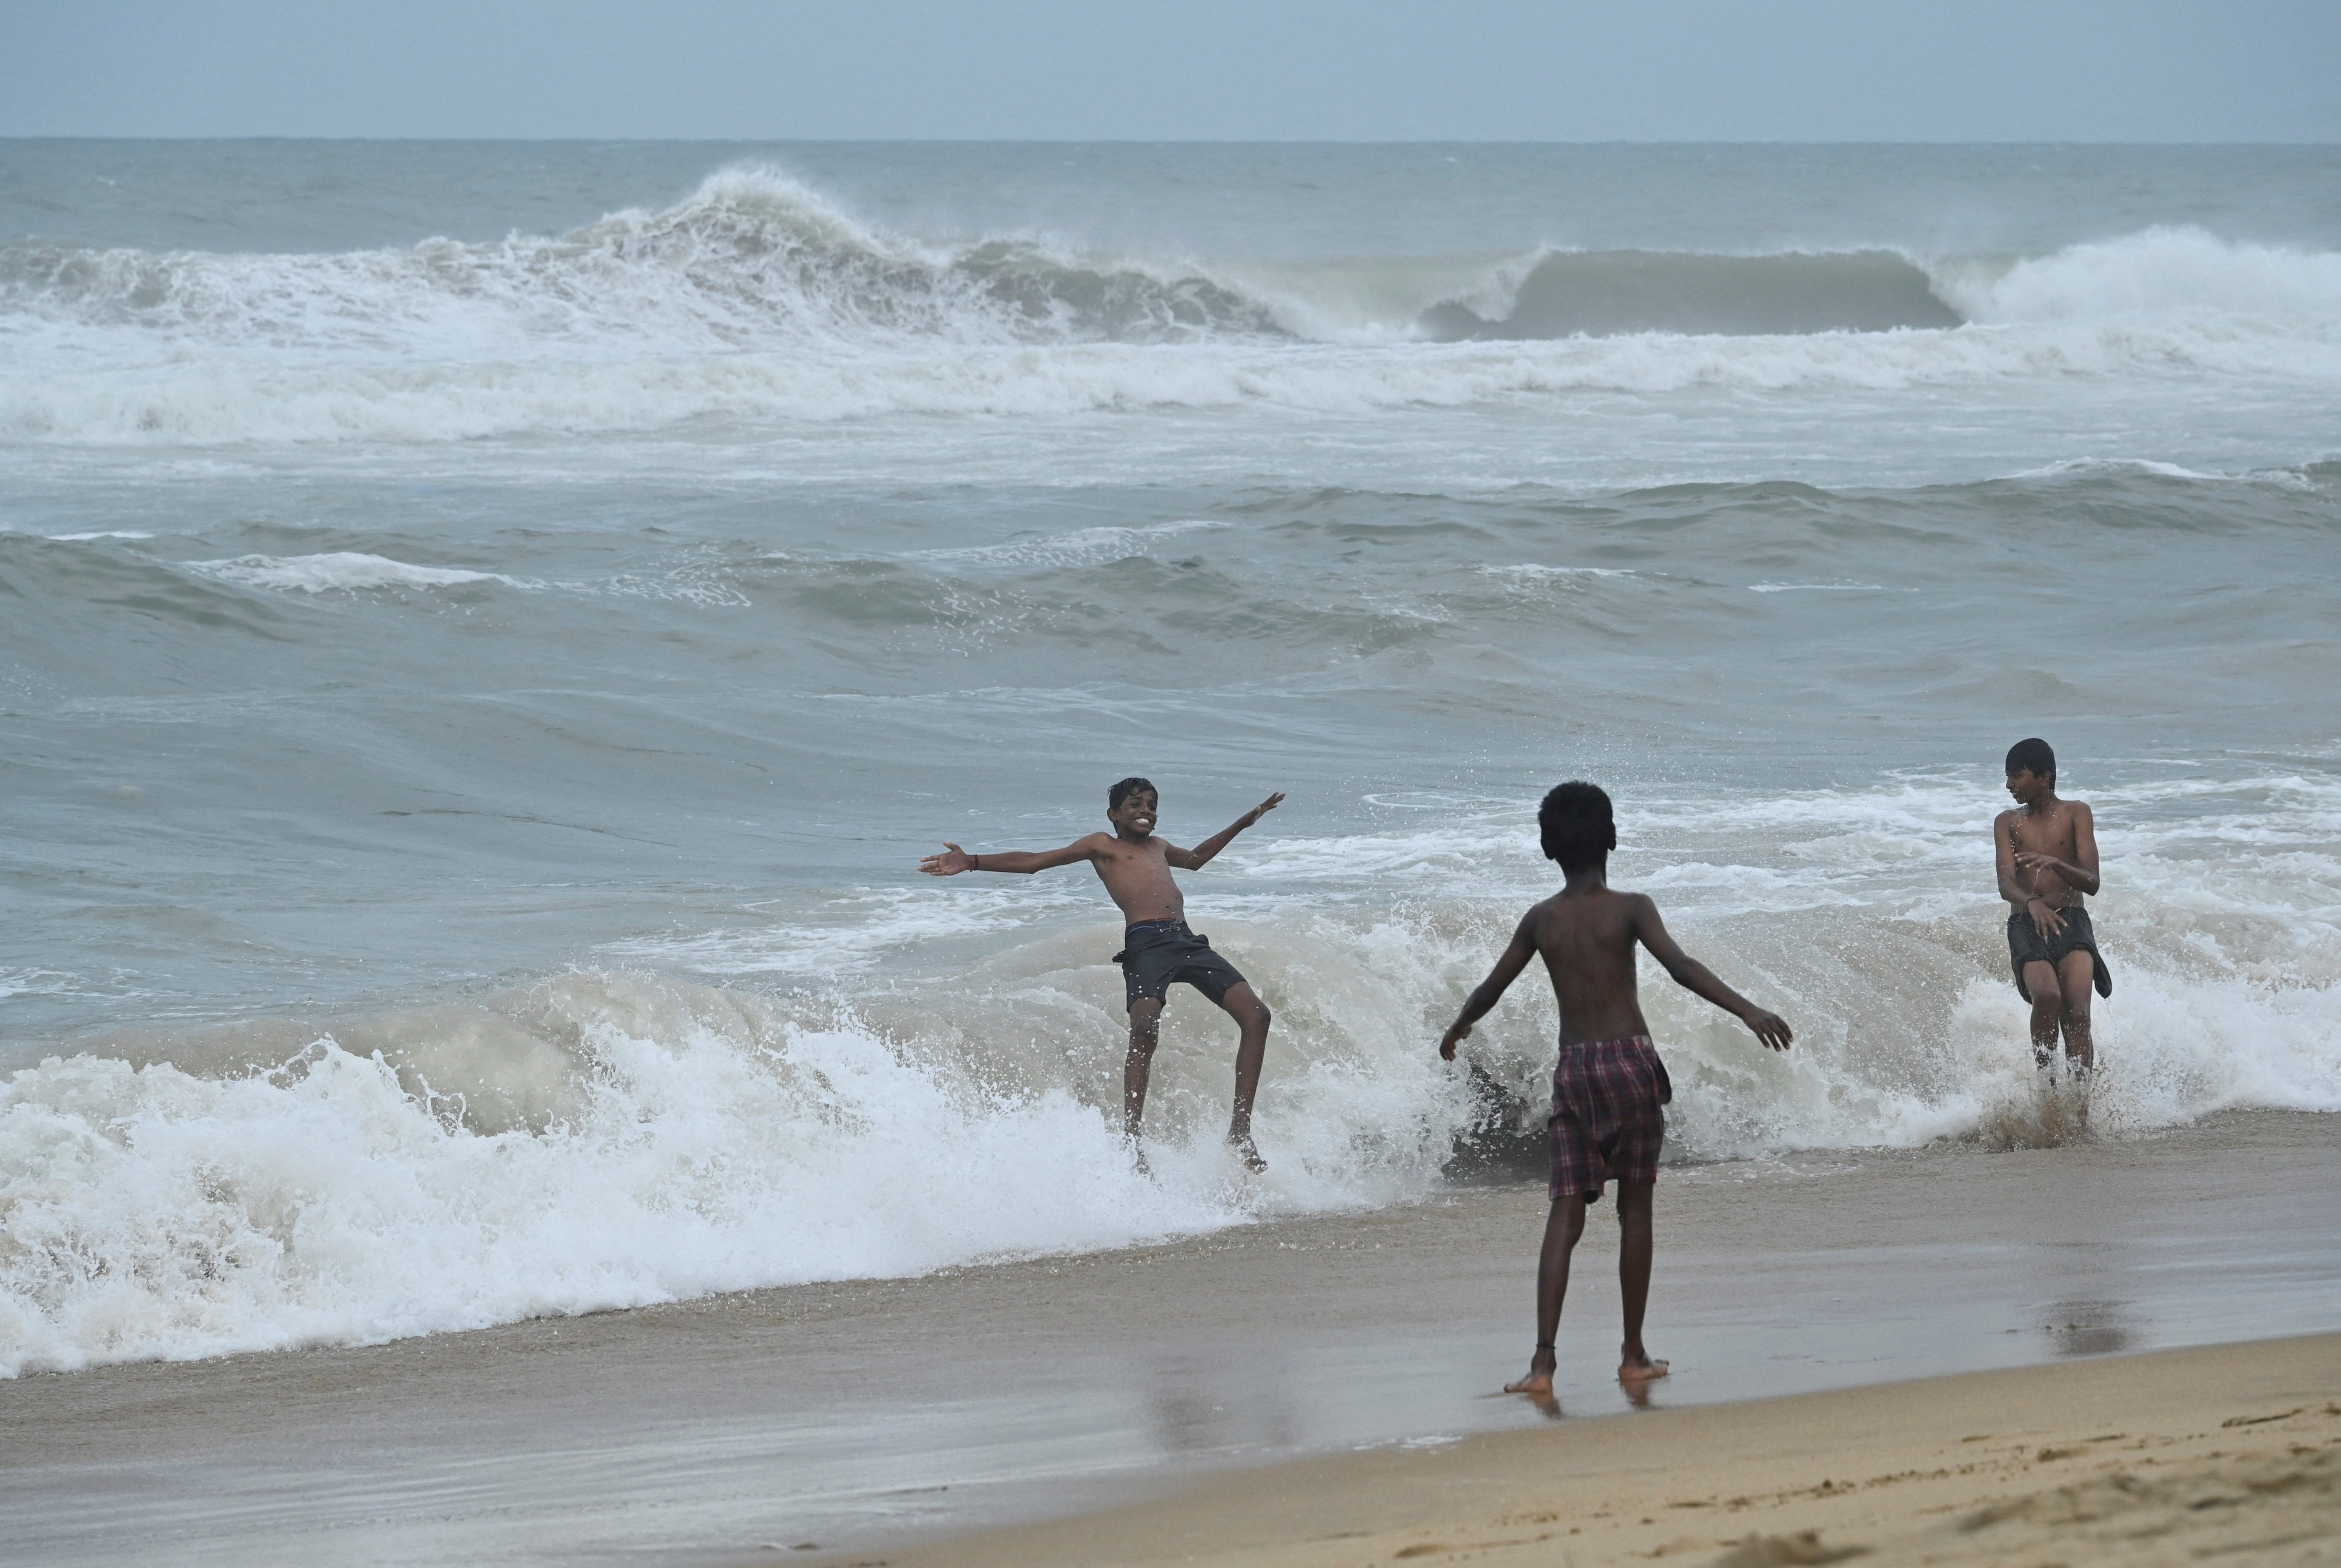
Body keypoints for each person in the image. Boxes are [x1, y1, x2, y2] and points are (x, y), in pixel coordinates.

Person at [1437, 781, 1792, 1397]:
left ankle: (1543, 1364)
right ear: (1613, 839)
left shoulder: (1542, 918)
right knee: (1635, 1210)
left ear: (1547, 847)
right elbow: (1681, 969)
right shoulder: (1632, 907)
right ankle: (1633, 1355)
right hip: (1630, 1064)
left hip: (1575, 1070)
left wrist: (1458, 1027)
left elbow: (1490, 989)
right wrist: (1748, 1010)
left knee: (1564, 1215)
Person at [920, 777, 1285, 1170]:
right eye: (1135, 805)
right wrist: (973, 861)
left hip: (1186, 941)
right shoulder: (1101, 845)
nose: (1146, 810)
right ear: (1114, 814)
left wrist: (1245, 821)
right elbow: (1035, 863)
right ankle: (1131, 1140)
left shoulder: (1160, 848)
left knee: (1257, 1015)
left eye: (1151, 805)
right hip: (1145, 944)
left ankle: (1240, 1133)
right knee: (1145, 1029)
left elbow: (1197, 858)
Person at [1995, 737, 2110, 1077]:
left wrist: (2055, 864)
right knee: (2046, 996)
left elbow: (2092, 882)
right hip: (2026, 923)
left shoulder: (2077, 813)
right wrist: (2031, 904)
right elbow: (2005, 884)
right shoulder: (2007, 821)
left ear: (2044, 777)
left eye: (2017, 776)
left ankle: (2079, 1107)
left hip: (2072, 920)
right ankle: (2049, 1092)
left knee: (2077, 1014)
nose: (2009, 785)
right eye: (2008, 776)